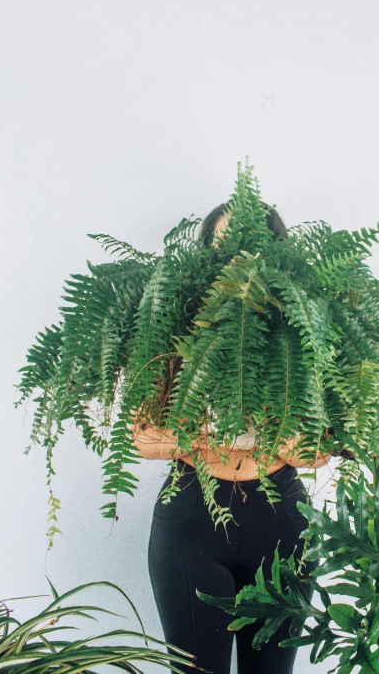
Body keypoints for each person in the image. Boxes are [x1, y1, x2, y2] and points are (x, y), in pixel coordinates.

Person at [132, 202, 331, 674]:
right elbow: (141, 438)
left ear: (275, 256)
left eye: (249, 248)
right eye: (223, 249)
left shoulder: (301, 330)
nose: (236, 262)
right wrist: (245, 436)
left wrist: (204, 436)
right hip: (190, 523)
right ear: (204, 259)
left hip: (281, 523)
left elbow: (317, 449)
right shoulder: (174, 327)